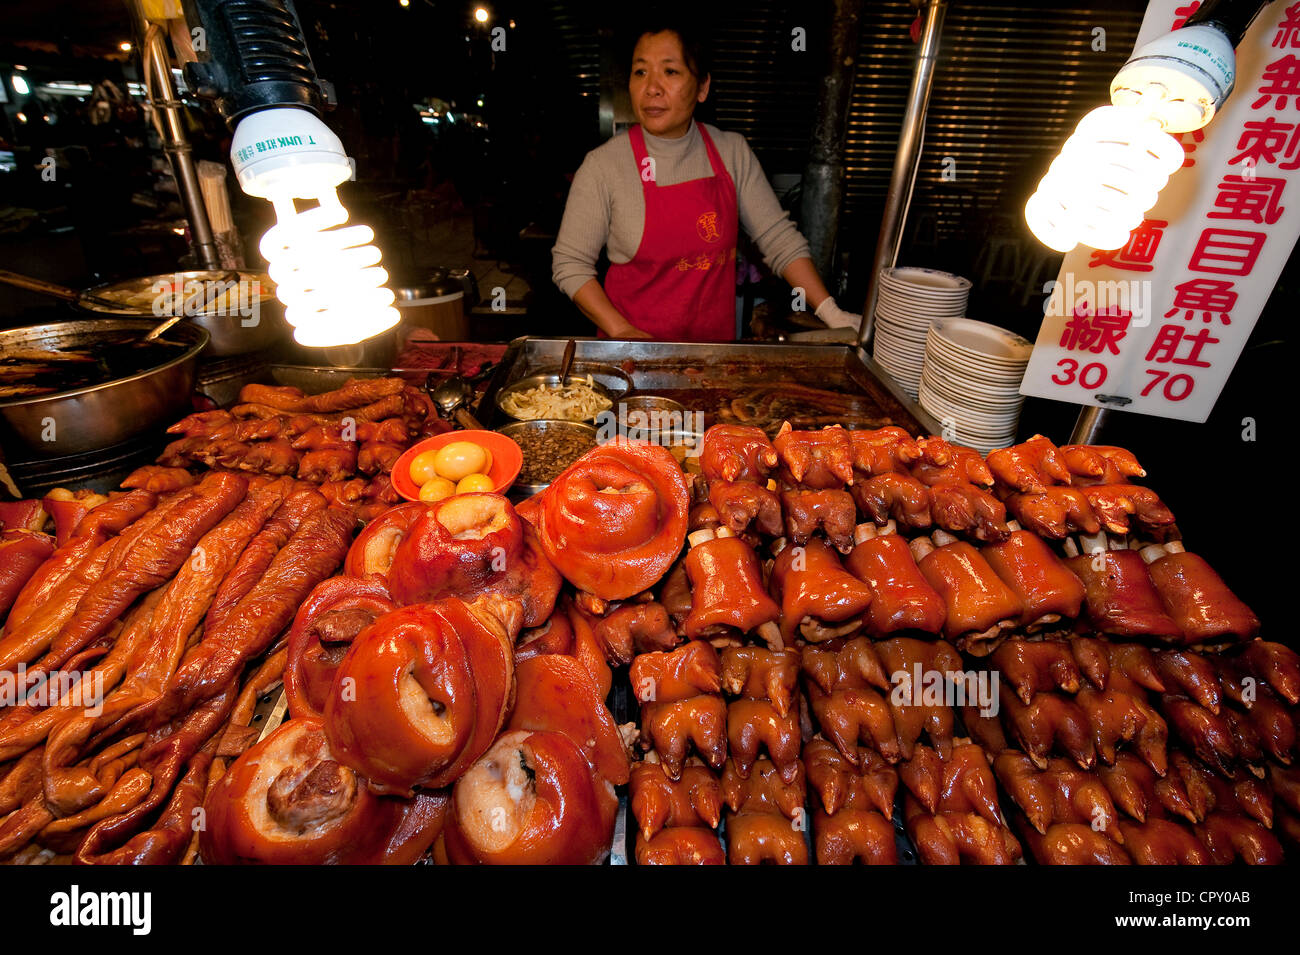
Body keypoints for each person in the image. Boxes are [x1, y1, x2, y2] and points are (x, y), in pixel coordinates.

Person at [552, 22, 860, 340]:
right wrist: (623, 332)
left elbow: (777, 238)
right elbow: (570, 263)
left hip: (711, 358)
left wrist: (830, 312)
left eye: (670, 72)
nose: (652, 87)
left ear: (702, 88)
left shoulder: (731, 152)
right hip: (631, 360)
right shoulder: (604, 165)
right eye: (640, 72)